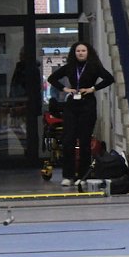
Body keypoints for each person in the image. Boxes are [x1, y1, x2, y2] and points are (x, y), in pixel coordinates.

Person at [46, 42, 113, 187]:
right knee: (68, 140)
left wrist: (93, 89)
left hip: (87, 104)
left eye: (83, 50)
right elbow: (51, 78)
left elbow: (109, 79)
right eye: (78, 51)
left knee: (84, 142)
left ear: (88, 52)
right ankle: (67, 175)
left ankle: (82, 176)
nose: (81, 53)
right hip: (72, 105)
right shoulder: (70, 67)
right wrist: (65, 89)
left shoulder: (94, 67)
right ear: (74, 53)